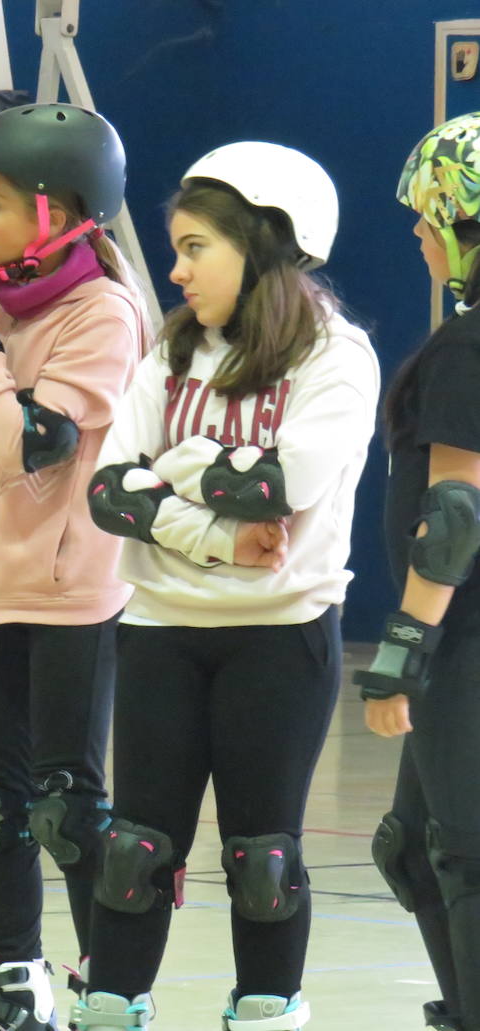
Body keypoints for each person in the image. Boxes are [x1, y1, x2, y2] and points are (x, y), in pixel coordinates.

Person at [71, 142, 379, 1030]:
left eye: (196, 245)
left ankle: (267, 1009)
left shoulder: (335, 355)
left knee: (262, 858)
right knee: (134, 849)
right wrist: (216, 527)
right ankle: (111, 1006)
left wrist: (177, 467)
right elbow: (106, 491)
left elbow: (285, 488)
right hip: (161, 626)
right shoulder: (170, 353)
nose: (176, 269)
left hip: (282, 635)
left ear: (266, 240)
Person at [0, 102, 150, 1031]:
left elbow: (31, 447)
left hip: (69, 590)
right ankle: (15, 978)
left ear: (56, 215)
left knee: (65, 808)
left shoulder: (104, 315)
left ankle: (107, 984)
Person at [358, 111, 480, 1031]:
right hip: (458, 641)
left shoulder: (468, 347)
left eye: (426, 216)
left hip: (461, 642)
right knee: (412, 847)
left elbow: (453, 518)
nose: (415, 232)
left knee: (464, 852)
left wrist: (403, 646)